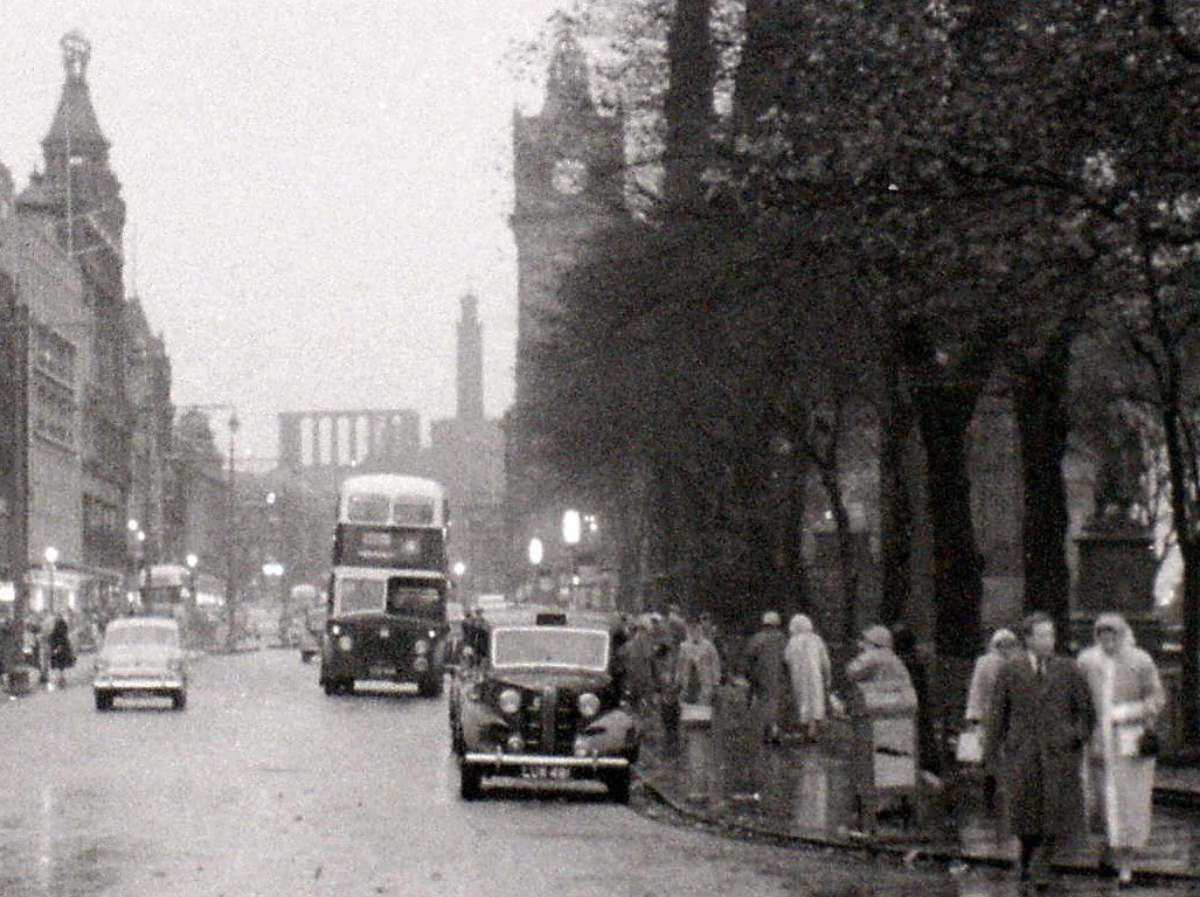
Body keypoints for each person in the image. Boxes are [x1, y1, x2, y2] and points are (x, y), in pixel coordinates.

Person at [986, 612, 1095, 890]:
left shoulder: (1068, 669)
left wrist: (1075, 735)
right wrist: (992, 752)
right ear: (1028, 639)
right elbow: (998, 713)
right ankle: (1026, 854)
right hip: (1023, 750)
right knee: (1025, 808)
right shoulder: (1011, 670)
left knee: (1056, 810)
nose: (1049, 641)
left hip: (1059, 752)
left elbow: (1086, 711)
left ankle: (1042, 863)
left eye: (1052, 635)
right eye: (1043, 635)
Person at [1076, 613, 1165, 887]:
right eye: (1102, 635)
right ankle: (1104, 856)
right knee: (1097, 802)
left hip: (1129, 746)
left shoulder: (1140, 661)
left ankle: (1127, 864)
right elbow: (1078, 699)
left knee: (1128, 804)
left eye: (1112, 634)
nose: (1107, 640)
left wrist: (1127, 712)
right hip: (1097, 742)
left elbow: (1156, 699)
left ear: (1123, 634)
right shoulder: (1087, 662)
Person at [965, 627, 1021, 806]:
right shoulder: (984, 663)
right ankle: (990, 797)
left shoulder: (1019, 662)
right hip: (990, 717)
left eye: (1010, 644)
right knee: (991, 757)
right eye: (1002, 644)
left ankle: (1013, 796)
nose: (1006, 648)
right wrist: (975, 716)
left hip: (1014, 717)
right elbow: (977, 689)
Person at [740, 610, 788, 744]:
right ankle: (774, 729)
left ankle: (767, 729)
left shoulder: (757, 638)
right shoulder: (782, 639)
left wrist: (749, 676)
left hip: (760, 677)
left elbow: (749, 658)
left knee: (764, 702)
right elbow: (786, 659)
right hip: (777, 676)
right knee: (776, 702)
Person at [782, 614, 831, 742]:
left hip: (798, 674)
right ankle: (813, 729)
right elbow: (825, 661)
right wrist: (827, 676)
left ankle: (805, 728)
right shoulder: (817, 640)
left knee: (802, 699)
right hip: (815, 674)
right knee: (815, 698)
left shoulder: (793, 641)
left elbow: (786, 658)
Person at [846, 624, 912, 687]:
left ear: (872, 642)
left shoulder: (873, 655)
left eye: (864, 639)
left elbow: (852, 671)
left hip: (880, 696)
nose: (860, 643)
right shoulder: (893, 657)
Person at [675, 619, 721, 706]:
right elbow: (679, 665)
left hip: (704, 682)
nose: (694, 632)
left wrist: (716, 681)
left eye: (697, 629)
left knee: (703, 706)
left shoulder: (709, 646)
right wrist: (677, 680)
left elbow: (715, 664)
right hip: (687, 682)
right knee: (686, 706)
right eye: (692, 629)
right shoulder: (684, 646)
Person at [47, 615, 74, 689]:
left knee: (59, 665)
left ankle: (60, 679)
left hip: (58, 647)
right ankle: (61, 679)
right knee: (61, 665)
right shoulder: (62, 626)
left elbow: (52, 637)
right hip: (62, 647)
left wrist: (55, 647)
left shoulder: (56, 628)